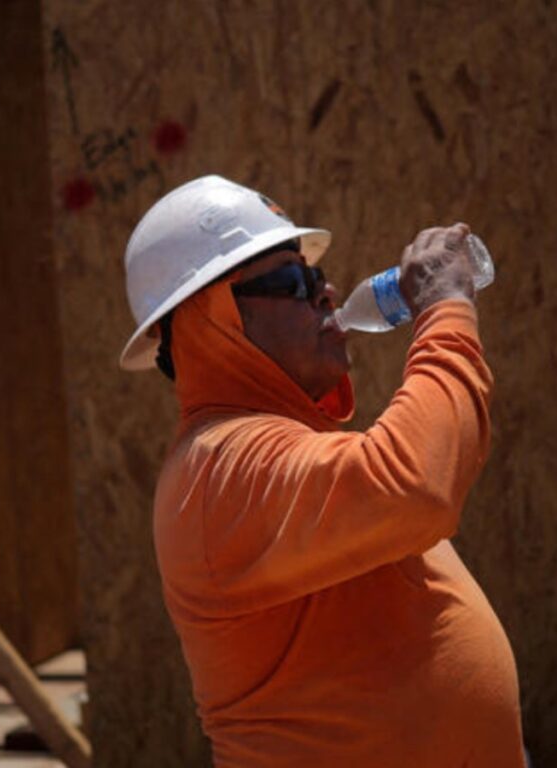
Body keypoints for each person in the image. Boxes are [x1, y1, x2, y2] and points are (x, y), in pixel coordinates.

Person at [120, 174, 525, 767]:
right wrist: (445, 311)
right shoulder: (218, 470)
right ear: (214, 322)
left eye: (314, 276)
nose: (327, 292)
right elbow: (417, 486)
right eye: (293, 281)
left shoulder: (278, 444)